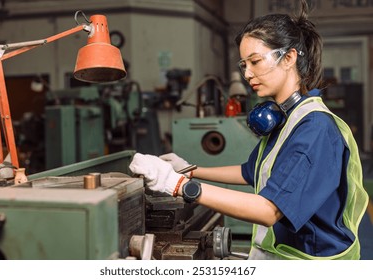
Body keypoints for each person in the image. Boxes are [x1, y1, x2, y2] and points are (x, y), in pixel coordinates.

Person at [129, 0, 369, 260]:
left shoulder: (315, 129)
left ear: (289, 58)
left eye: (255, 61)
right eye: (244, 65)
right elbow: (249, 171)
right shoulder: (285, 120)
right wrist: (189, 168)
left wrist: (178, 184)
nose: (247, 74)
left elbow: (268, 210)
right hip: (285, 254)